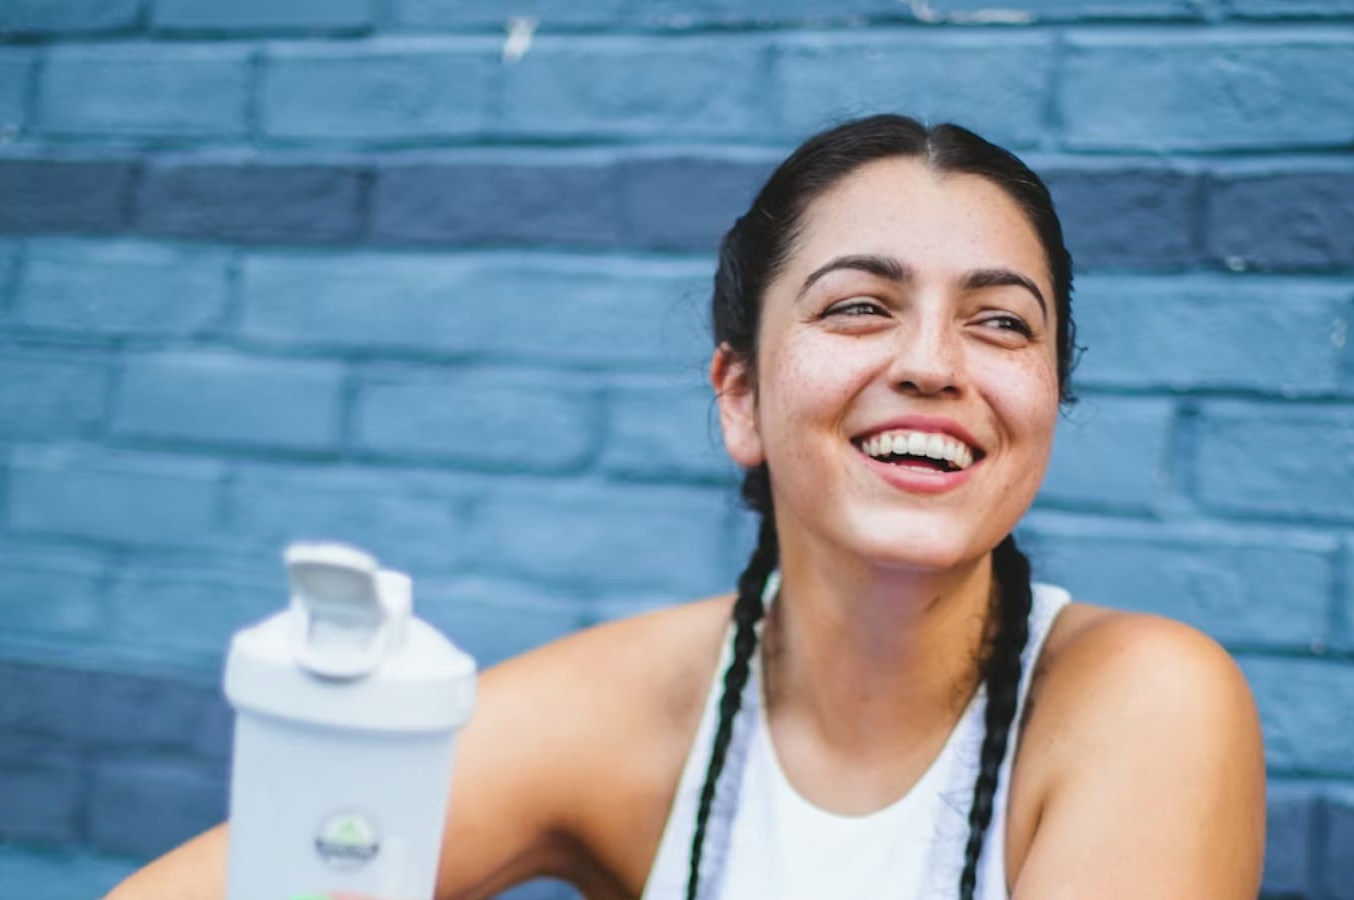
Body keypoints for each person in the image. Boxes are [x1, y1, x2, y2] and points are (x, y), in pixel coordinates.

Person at [107, 114, 1266, 900]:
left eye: (1001, 322)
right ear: (741, 397)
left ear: (1048, 401)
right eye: (859, 307)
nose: (931, 363)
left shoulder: (1143, 703)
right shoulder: (631, 709)